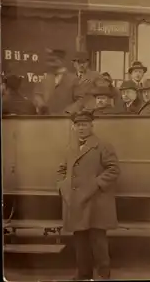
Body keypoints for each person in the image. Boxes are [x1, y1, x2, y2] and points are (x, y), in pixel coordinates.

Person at [57, 111, 120, 280]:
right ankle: (83, 274)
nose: (81, 128)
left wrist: (96, 184)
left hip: (96, 201)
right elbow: (62, 170)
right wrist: (63, 186)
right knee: (80, 240)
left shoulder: (103, 145)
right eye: (78, 125)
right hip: (76, 202)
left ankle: (102, 274)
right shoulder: (70, 147)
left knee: (98, 240)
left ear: (92, 126)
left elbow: (113, 169)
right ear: (74, 127)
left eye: (85, 125)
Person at [32, 49, 79, 115]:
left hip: (67, 119)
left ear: (62, 60)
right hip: (47, 119)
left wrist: (67, 112)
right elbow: (37, 95)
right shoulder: (45, 79)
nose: (51, 63)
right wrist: (41, 104)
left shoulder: (74, 79)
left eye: (54, 60)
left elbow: (79, 100)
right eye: (50, 60)